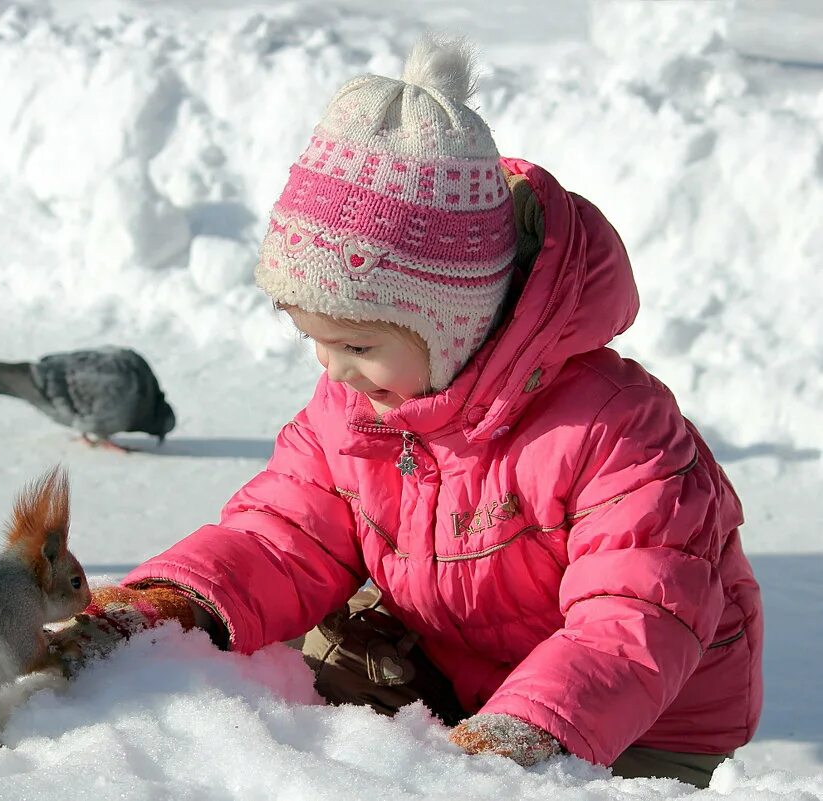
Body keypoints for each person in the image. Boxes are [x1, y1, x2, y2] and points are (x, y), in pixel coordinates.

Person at [48, 35, 763, 788]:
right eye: (313, 340)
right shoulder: (357, 404)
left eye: (357, 342)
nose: (333, 369)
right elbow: (282, 534)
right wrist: (176, 606)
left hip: (636, 720)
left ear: (452, 321)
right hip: (452, 662)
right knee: (295, 661)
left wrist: (519, 733)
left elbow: (631, 620)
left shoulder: (614, 430)